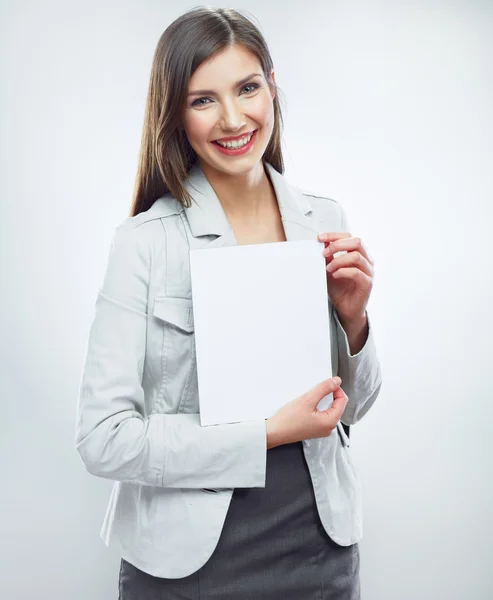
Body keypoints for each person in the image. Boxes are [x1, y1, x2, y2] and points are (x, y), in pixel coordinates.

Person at [75, 6, 382, 599]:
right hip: (188, 565)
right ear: (175, 114)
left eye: (248, 88)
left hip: (320, 550)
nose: (234, 118)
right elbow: (103, 437)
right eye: (203, 99)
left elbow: (350, 411)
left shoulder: (324, 220)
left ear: (272, 83)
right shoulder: (144, 243)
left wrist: (355, 320)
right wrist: (264, 432)